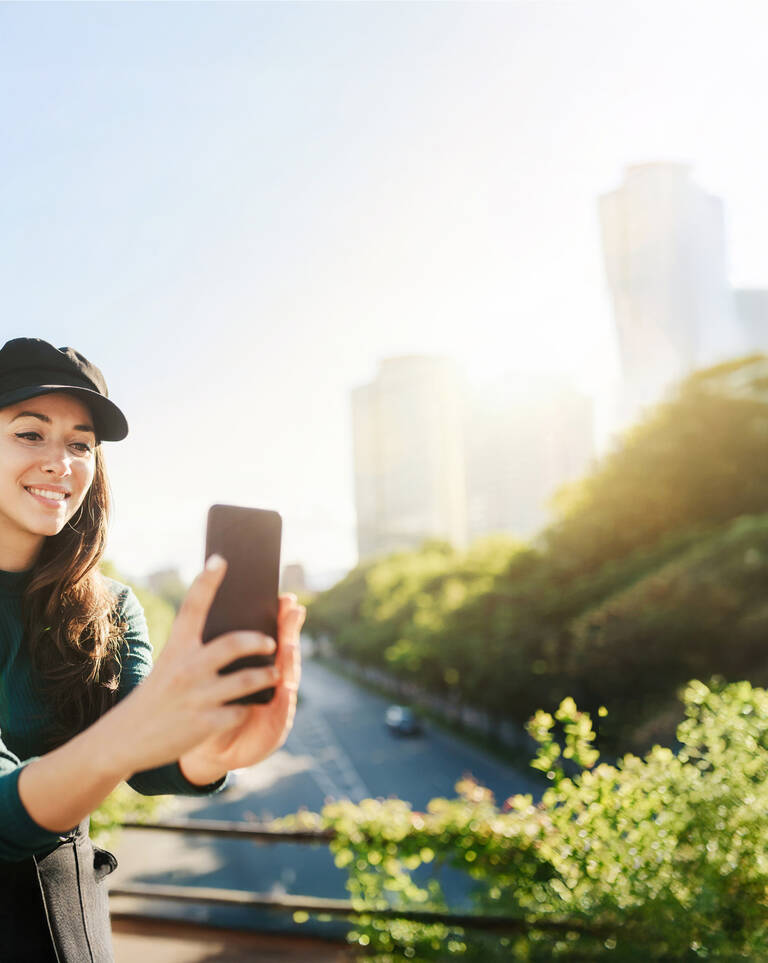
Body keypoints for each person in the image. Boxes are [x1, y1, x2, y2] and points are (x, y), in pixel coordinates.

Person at [0, 337, 305, 961]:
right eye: (30, 433)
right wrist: (145, 727)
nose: (62, 462)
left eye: (81, 444)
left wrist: (209, 751)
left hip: (68, 924)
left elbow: (149, 765)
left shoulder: (108, 606)